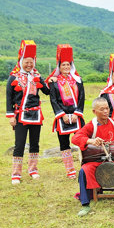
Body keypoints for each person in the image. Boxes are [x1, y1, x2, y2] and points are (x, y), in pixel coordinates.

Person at [6, 40, 50, 185]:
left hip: (36, 114)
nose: (29, 65)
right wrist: (11, 115)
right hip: (20, 115)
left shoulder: (36, 76)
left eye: (31, 62)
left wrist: (51, 80)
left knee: (35, 144)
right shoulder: (14, 77)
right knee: (19, 144)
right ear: (21, 62)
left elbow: (47, 91)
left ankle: (33, 170)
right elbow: (9, 97)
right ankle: (16, 173)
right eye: (26, 62)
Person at [46, 44, 85, 179]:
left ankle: (84, 167)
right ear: (59, 67)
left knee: (82, 141)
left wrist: (76, 113)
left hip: (76, 115)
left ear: (71, 66)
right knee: (64, 144)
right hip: (62, 116)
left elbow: (81, 97)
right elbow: (53, 100)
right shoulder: (54, 82)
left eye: (68, 65)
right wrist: (61, 115)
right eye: (63, 65)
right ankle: (70, 171)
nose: (66, 68)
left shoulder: (78, 80)